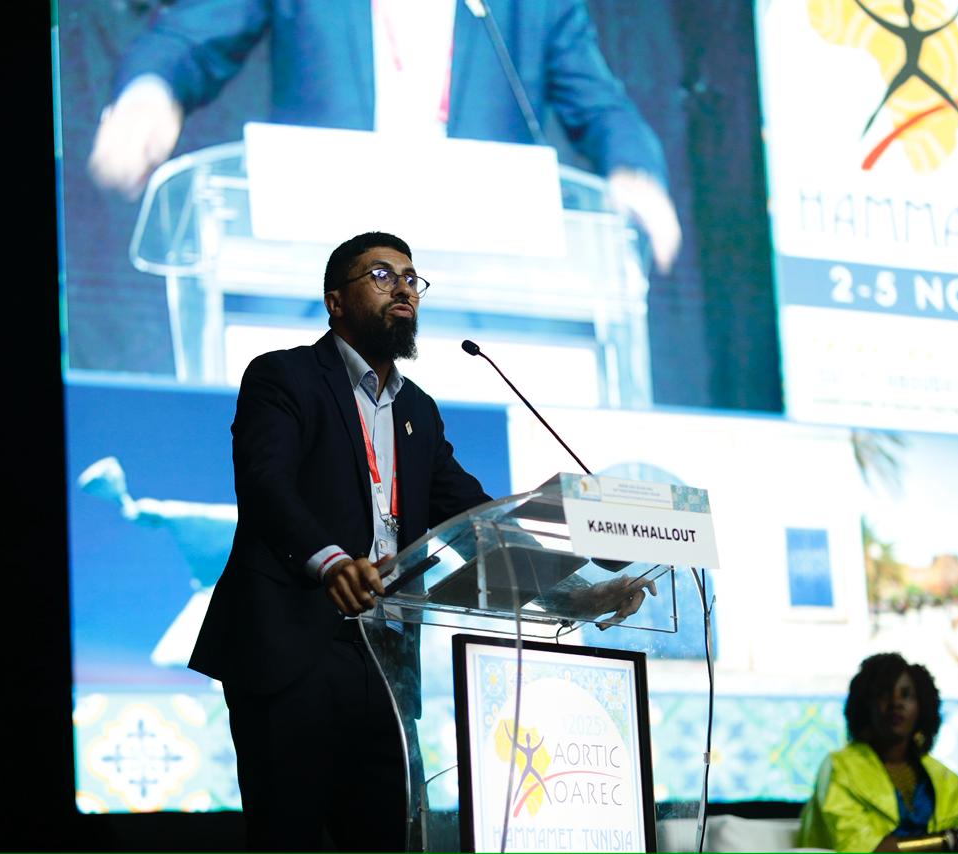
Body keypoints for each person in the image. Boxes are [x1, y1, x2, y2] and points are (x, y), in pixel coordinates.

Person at [189, 230, 654, 850]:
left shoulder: (419, 411)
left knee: (390, 838)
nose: (403, 288)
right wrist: (333, 563)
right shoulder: (284, 376)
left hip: (385, 661)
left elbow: (479, 523)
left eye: (411, 278)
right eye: (381, 275)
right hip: (292, 649)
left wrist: (577, 595)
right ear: (335, 300)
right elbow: (265, 484)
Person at [87, 0, 681, 272]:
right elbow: (192, 36)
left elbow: (602, 107)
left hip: (486, 280)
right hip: (313, 270)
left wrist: (634, 173)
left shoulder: (535, 6)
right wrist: (150, 94)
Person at [798, 653, 958, 852]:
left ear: (922, 706)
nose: (896, 703)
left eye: (906, 695)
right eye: (884, 694)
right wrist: (949, 840)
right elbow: (861, 848)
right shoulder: (840, 768)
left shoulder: (943, 779)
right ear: (866, 705)